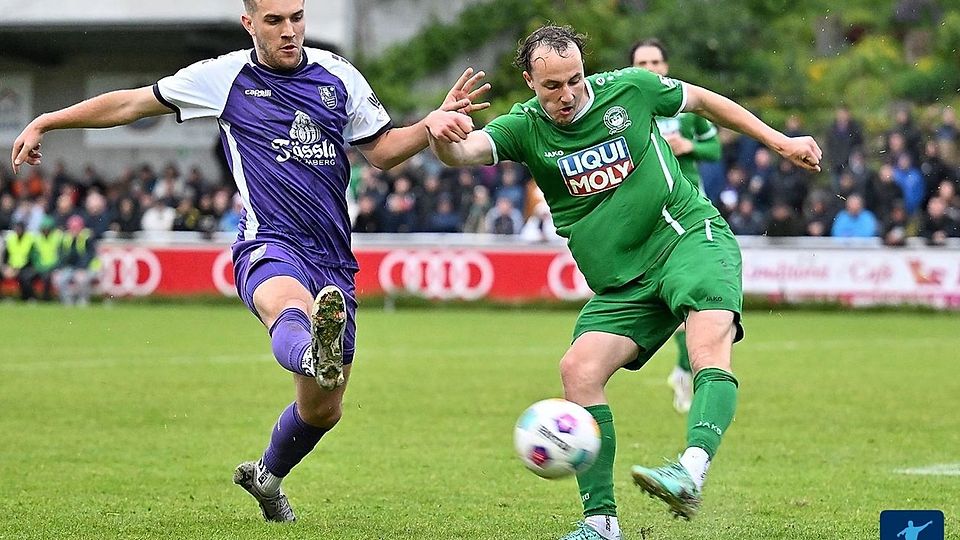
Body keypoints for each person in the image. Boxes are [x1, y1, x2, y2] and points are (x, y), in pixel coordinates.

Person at [11, 0, 487, 523]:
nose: (289, 31)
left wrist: (432, 124)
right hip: (268, 240)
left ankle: (268, 478)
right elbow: (131, 104)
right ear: (249, 23)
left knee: (322, 411)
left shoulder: (337, 75)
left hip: (332, 256)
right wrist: (48, 120)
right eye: (275, 21)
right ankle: (310, 350)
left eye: (297, 18)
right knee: (292, 309)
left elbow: (382, 150)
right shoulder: (224, 77)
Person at [426, 25, 821, 540]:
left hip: (686, 238)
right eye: (551, 87)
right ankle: (601, 523)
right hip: (621, 283)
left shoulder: (631, 88)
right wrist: (442, 134)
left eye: (574, 80)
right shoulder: (523, 127)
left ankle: (691, 472)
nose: (566, 95)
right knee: (578, 369)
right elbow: (463, 154)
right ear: (529, 82)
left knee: (706, 348)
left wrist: (780, 141)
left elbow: (700, 100)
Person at [630, 37, 722, 415]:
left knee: (690, 300)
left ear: (666, 67)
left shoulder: (687, 109)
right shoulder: (626, 110)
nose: (650, 69)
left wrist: (689, 147)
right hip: (647, 215)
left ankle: (685, 370)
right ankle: (684, 369)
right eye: (642, 63)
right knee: (675, 303)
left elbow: (714, 150)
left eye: (656, 61)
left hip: (688, 211)